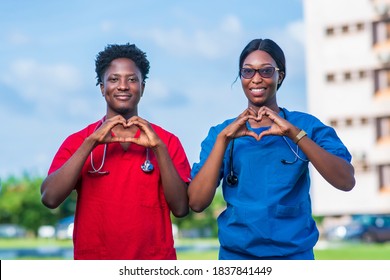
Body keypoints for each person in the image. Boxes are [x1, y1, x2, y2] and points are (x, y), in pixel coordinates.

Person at [188, 38, 355, 260]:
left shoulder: (305, 126)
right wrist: (223, 140)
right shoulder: (222, 134)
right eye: (248, 72)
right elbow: (197, 203)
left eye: (266, 71)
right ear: (241, 77)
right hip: (236, 258)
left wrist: (295, 135)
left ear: (280, 75)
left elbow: (345, 181)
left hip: (294, 257)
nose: (256, 79)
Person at [41, 43, 191, 260]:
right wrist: (91, 143)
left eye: (132, 79)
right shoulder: (79, 141)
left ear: (142, 87)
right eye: (113, 79)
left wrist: (159, 149)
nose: (123, 86)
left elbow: (181, 208)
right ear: (102, 88)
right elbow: (50, 198)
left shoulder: (166, 141)